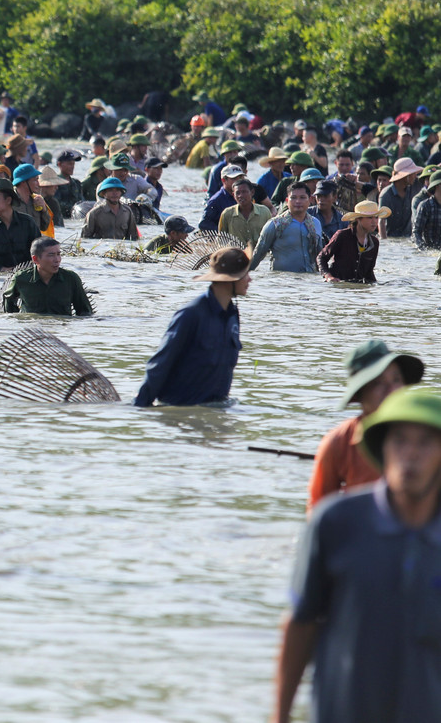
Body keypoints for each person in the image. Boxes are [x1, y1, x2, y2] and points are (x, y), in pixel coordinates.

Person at [274, 388, 441, 723]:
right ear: (382, 448)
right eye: (400, 440)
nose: (410, 454)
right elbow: (301, 623)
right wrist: (280, 716)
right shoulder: (336, 522)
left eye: (425, 443)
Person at [307, 341, 423, 511]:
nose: (391, 390)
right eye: (378, 383)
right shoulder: (338, 442)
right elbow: (318, 509)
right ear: (360, 393)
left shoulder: (429, 433)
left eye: (396, 379)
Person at [134, 248, 248, 407]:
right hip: (181, 410)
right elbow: (161, 363)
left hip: (215, 410)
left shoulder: (232, 315)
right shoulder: (191, 314)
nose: (249, 279)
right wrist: (140, 407)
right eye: (245, 274)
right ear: (230, 280)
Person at [1, 238, 93, 316]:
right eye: (51, 255)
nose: (57, 260)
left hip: (62, 329)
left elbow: (85, 312)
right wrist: (18, 320)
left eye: (58, 254)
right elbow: (8, 300)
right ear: (35, 259)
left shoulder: (71, 279)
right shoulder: (21, 279)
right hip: (32, 327)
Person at [251, 183, 323, 272]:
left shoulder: (315, 223)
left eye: (302, 197)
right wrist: (245, 273)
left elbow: (320, 256)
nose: (298, 201)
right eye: (293, 198)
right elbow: (259, 253)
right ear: (287, 200)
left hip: (309, 278)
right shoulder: (275, 224)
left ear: (310, 199)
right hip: (282, 279)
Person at [318, 200, 386, 283]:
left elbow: (369, 273)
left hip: (359, 286)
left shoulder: (374, 242)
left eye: (376, 217)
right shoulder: (342, 236)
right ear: (358, 219)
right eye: (369, 217)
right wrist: (328, 276)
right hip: (338, 286)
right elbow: (321, 258)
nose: (374, 221)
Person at [218, 178, 271, 246]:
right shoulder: (227, 214)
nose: (241, 195)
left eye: (244, 192)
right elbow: (221, 240)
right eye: (237, 193)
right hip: (236, 252)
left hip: (260, 252)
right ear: (233, 195)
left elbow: (271, 237)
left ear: (252, 192)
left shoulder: (264, 212)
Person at [411, 172, 441, 249]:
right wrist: (423, 249)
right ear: (437, 185)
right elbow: (416, 232)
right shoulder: (425, 206)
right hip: (429, 250)